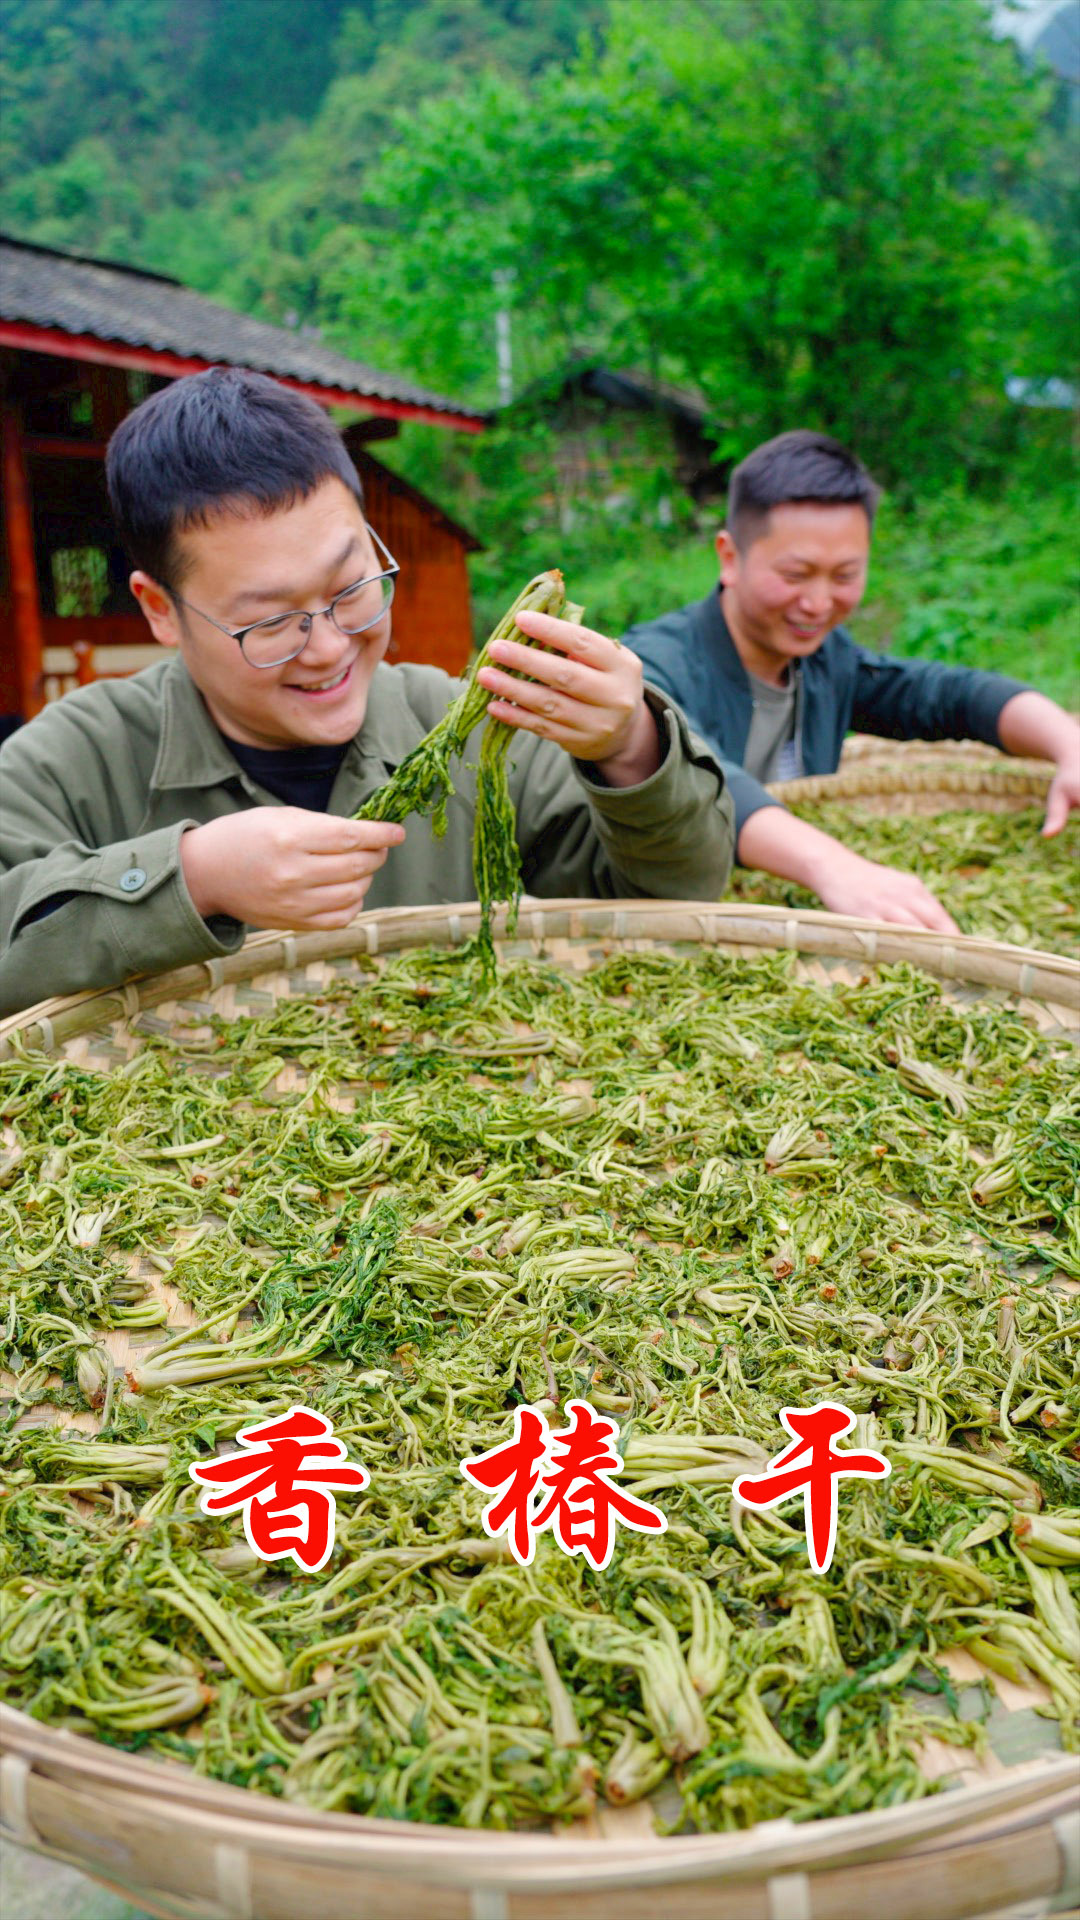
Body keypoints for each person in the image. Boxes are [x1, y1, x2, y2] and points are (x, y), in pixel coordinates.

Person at [0, 369, 734, 1017]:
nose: (327, 648)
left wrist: (630, 748)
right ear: (161, 609)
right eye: (268, 622)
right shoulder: (77, 759)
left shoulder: (473, 730)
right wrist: (193, 879)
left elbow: (675, 900)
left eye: (351, 588)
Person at [623, 430, 1080, 932]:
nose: (818, 604)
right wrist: (833, 867)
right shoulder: (652, 667)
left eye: (844, 576)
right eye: (795, 575)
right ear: (730, 557)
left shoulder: (823, 662)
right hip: (669, 921)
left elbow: (946, 696)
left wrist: (1068, 744)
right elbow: (698, 778)